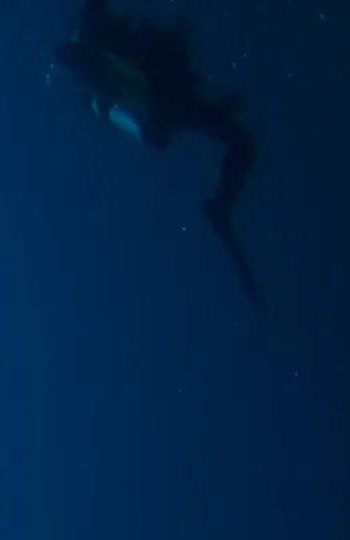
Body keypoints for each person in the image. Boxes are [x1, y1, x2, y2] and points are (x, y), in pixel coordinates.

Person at [54, 0, 265, 311]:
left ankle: (219, 206)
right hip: (164, 108)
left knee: (242, 144)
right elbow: (75, 57)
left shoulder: (111, 47)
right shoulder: (101, 48)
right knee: (239, 143)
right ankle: (219, 207)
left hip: (168, 106)